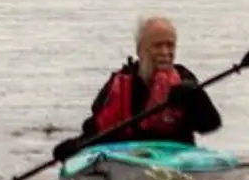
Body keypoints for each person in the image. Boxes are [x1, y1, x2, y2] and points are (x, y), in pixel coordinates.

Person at [54, 16, 222, 159]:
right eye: (157, 45)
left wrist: (197, 96)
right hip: (129, 157)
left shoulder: (185, 80)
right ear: (140, 50)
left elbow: (211, 125)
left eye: (170, 45)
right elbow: (96, 130)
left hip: (174, 155)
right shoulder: (120, 83)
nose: (165, 52)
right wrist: (76, 145)